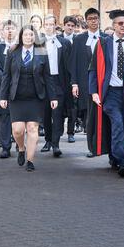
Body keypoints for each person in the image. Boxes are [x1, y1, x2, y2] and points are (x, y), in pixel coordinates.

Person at [88, 9, 124, 177]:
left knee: (123, 127)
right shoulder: (102, 44)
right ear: (113, 25)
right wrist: (93, 92)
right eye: (120, 23)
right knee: (118, 124)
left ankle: (114, 157)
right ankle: (123, 162)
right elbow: (93, 69)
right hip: (110, 94)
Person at [0, 25, 58, 171]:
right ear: (21, 36)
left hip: (36, 98)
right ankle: (21, 148)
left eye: (31, 35)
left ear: (35, 37)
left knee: (32, 128)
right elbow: (6, 76)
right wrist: (3, 96)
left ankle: (30, 161)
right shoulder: (12, 52)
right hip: (17, 97)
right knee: (18, 130)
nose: (28, 37)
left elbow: (48, 77)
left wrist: (53, 97)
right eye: (26, 35)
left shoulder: (42, 52)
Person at [71, 8, 106, 156]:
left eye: (96, 18)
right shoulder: (79, 40)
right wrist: (74, 83)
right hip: (86, 84)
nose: (93, 21)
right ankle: (92, 148)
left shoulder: (106, 39)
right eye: (90, 18)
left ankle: (104, 147)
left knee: (104, 117)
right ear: (86, 21)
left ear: (99, 20)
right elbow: (73, 62)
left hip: (104, 84)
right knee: (90, 117)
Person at [41, 15, 73, 154]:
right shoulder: (38, 43)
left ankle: (56, 144)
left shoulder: (64, 43)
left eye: (51, 24)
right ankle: (48, 140)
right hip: (43, 83)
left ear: (55, 25)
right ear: (43, 26)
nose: (49, 27)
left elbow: (70, 65)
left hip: (59, 82)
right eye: (46, 24)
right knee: (46, 114)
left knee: (58, 114)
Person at [0, 20, 18, 158]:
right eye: (7, 28)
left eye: (12, 28)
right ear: (2, 31)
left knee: (18, 117)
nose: (9, 31)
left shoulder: (21, 48)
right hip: (1, 89)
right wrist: (7, 81)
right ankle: (6, 147)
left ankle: (20, 145)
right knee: (3, 118)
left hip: (19, 89)